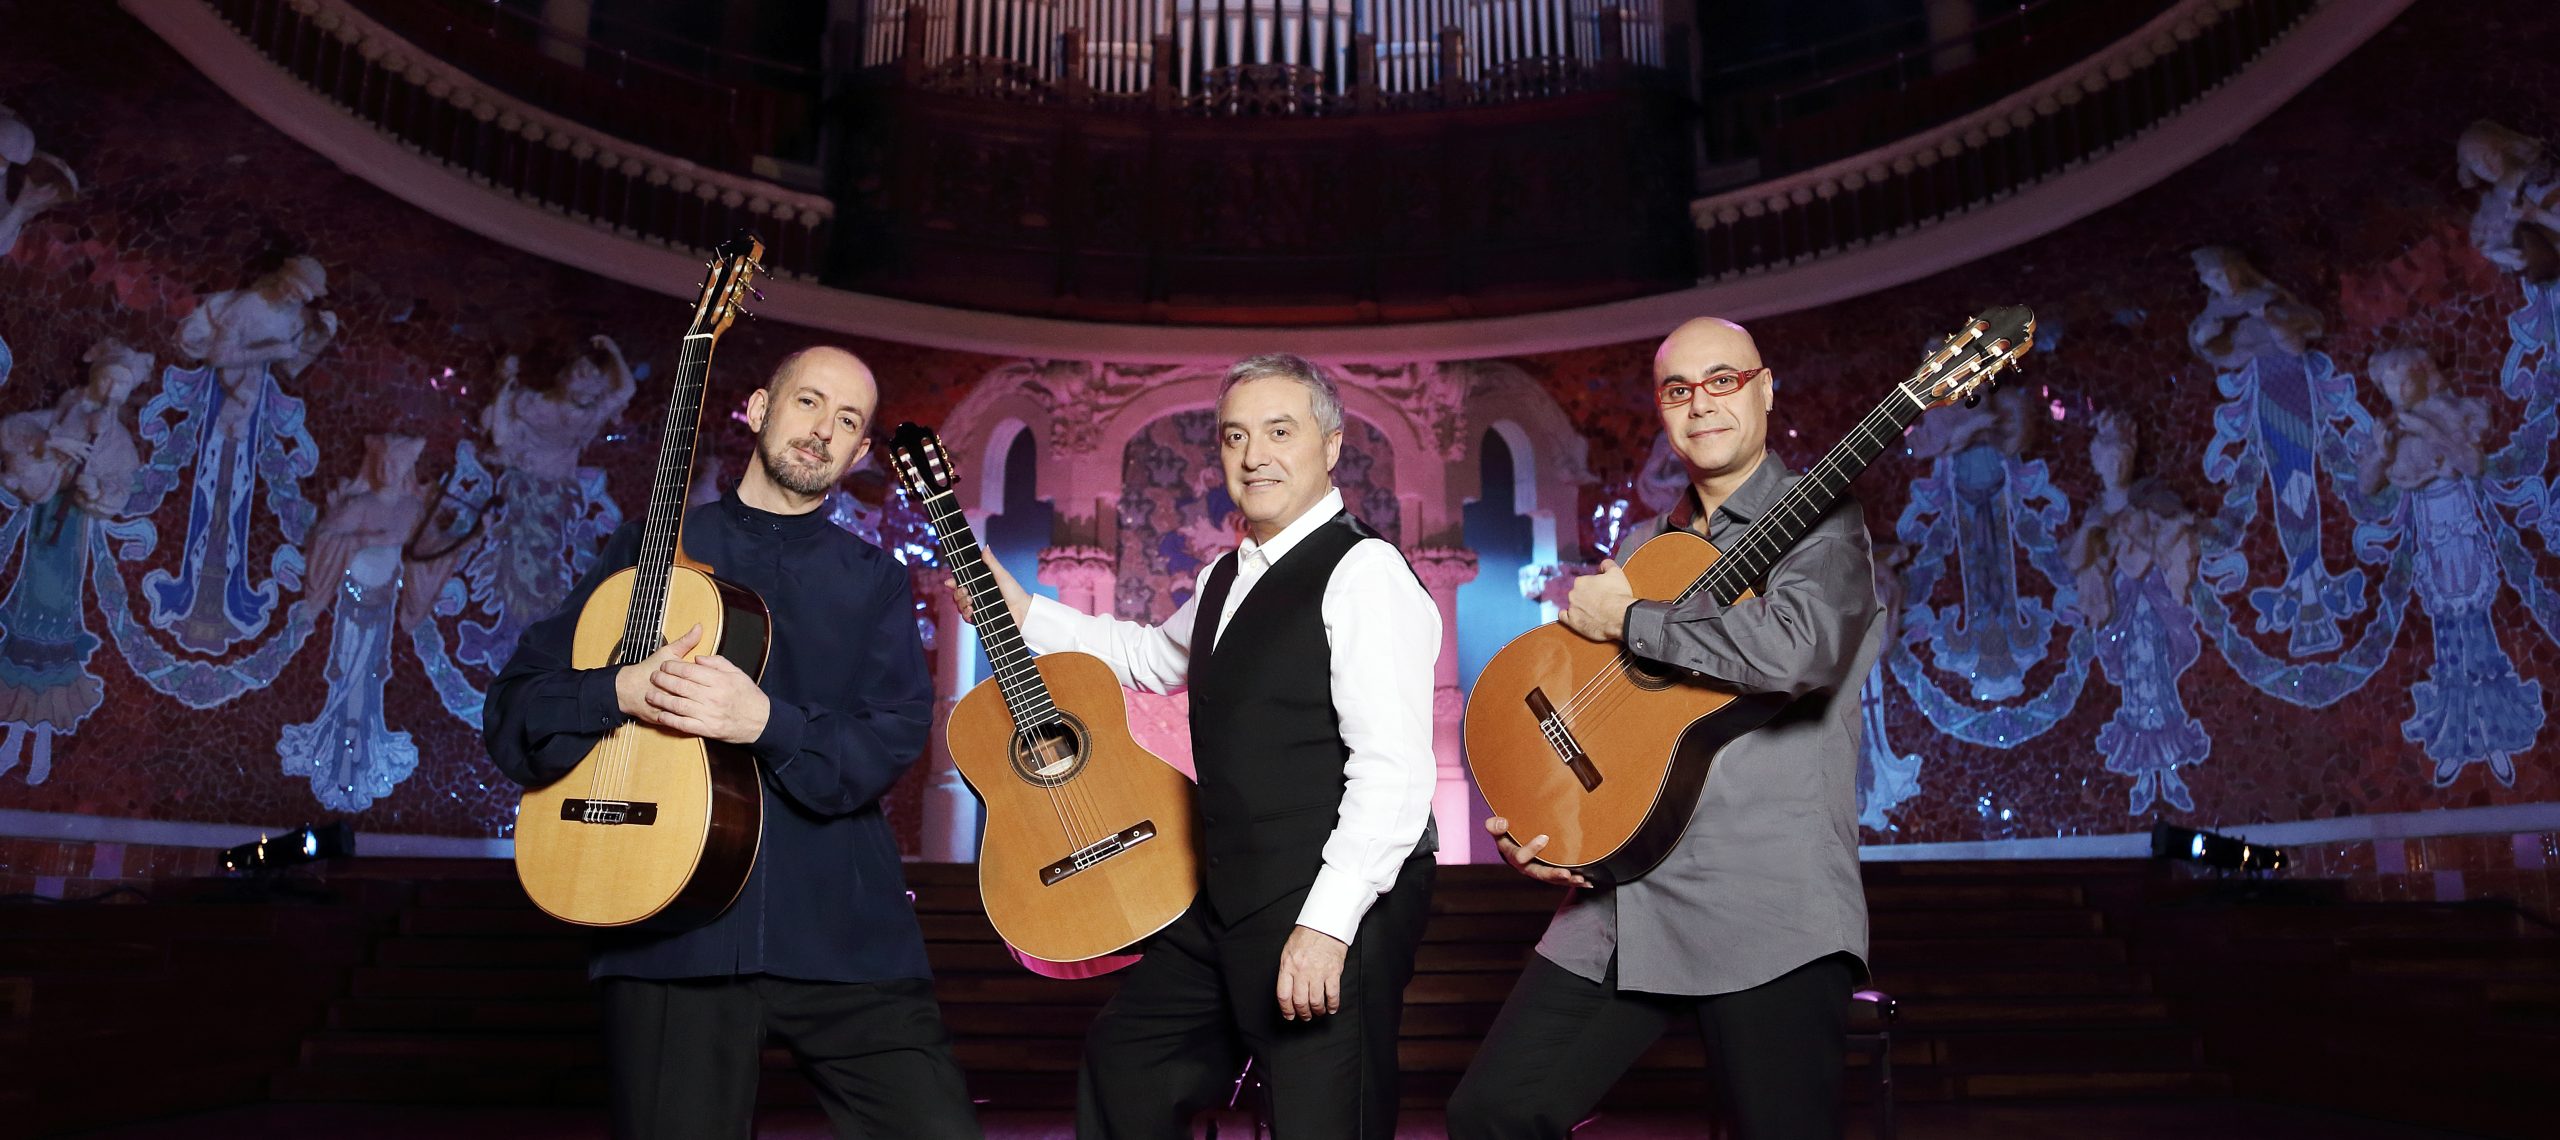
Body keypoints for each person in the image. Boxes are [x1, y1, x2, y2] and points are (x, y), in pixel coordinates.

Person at [484, 346, 981, 1140]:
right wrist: (617, 689)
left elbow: (887, 744)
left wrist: (765, 723)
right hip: (671, 940)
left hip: (842, 936)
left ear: (859, 456)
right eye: (808, 402)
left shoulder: (875, 581)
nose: (822, 430)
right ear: (756, 408)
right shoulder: (646, 552)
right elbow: (515, 714)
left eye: (847, 421)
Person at [961, 353, 1441, 1139]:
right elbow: (1153, 659)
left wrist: (1327, 926)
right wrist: (1021, 609)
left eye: (1280, 432)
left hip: (1331, 897)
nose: (1255, 455)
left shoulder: (1366, 573)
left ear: (1330, 444)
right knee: (1130, 1062)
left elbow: (1393, 775)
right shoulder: (1227, 573)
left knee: (1323, 1121)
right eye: (1235, 436)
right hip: (1225, 895)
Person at [1447, 318, 1879, 1140]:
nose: (1701, 404)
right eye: (1679, 389)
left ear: (1764, 387)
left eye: (1722, 380)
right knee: (1492, 1113)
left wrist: (1637, 619)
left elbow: (1799, 653)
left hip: (1770, 901)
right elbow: (1606, 713)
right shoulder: (1646, 542)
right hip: (1629, 900)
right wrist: (1552, 822)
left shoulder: (1826, 519)